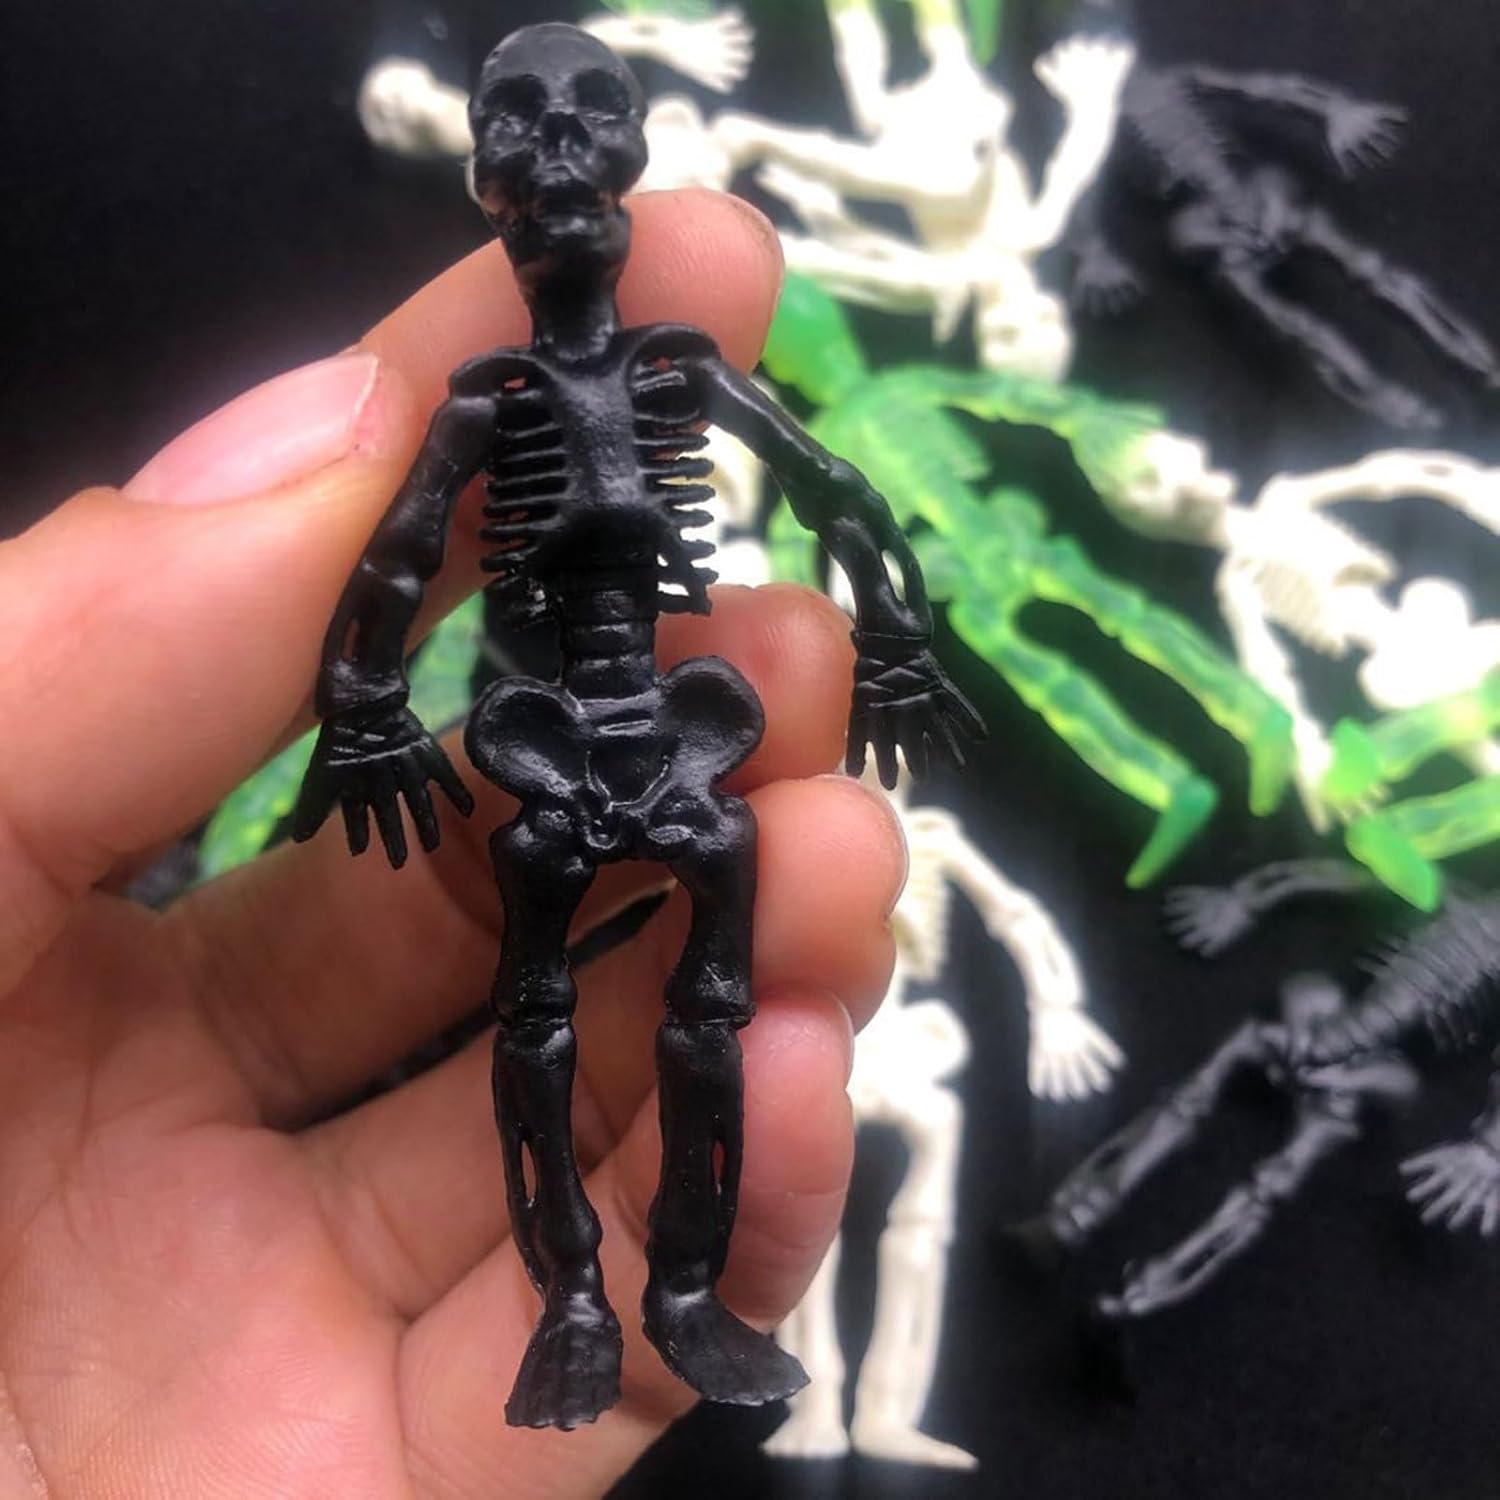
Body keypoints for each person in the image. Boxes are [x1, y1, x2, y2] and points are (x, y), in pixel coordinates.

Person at [0, 187, 907, 1496]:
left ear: (624, 160)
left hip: (683, 727)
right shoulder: (485, 395)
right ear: (491, 195)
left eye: (585, 133)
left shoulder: (678, 363)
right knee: (535, 1023)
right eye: (524, 143)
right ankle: (573, 1302)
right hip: (545, 739)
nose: (559, 173)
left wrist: (899, 634)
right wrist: (365, 702)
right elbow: (396, 557)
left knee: (713, 1013)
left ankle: (684, 1290)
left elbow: (834, 491)